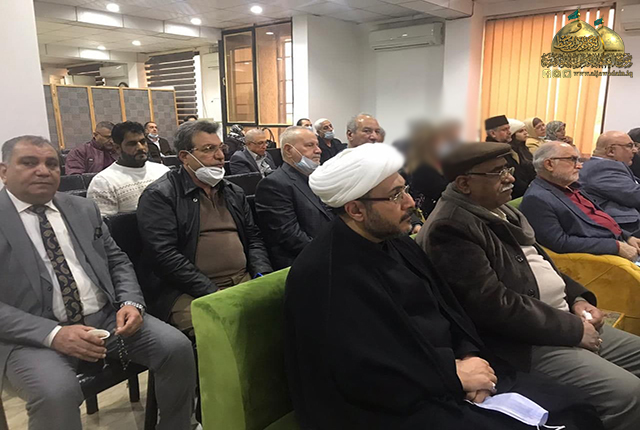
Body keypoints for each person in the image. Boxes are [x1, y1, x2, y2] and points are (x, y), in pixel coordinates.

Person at [285, 143, 603, 430]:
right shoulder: (324, 274)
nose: (410, 202)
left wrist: (470, 358)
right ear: (355, 210)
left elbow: (449, 311)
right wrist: (452, 377)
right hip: (396, 403)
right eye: (395, 195)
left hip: (446, 373)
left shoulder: (397, 244)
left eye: (405, 189)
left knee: (575, 407)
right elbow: (359, 372)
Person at [419, 141, 640, 430]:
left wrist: (579, 299)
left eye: (508, 169)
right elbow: (493, 306)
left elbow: (543, 263)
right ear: (464, 183)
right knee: (628, 394)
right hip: (526, 341)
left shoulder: (501, 211)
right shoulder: (450, 227)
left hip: (563, 319)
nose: (510, 178)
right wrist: (573, 330)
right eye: (498, 172)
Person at [0, 135, 195, 430]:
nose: (43, 171)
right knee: (57, 393)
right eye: (29, 163)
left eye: (51, 164)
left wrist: (131, 302)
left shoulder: (81, 208)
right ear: (4, 171)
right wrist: (53, 333)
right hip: (31, 335)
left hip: (104, 319)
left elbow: (117, 261)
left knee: (176, 348)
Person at [137, 121, 272, 336]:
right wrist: (212, 291)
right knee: (223, 330)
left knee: (281, 314)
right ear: (184, 156)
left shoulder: (232, 192)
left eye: (221, 148)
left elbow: (253, 237)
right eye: (209, 149)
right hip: (186, 290)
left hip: (242, 280)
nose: (220, 156)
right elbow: (164, 255)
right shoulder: (161, 195)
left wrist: (261, 275)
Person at [520, 141, 640, 259]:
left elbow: (599, 218)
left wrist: (627, 237)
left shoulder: (571, 187)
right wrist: (615, 246)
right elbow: (560, 242)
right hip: (602, 257)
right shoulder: (536, 199)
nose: (579, 166)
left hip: (620, 241)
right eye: (572, 160)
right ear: (549, 164)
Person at [255, 126, 332, 270]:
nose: (318, 150)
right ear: (289, 150)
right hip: (301, 263)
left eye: (317, 145)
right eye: (310, 145)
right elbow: (290, 237)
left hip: (326, 255)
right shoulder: (273, 185)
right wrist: (331, 253)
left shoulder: (317, 180)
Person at [87, 121, 170, 216]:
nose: (140, 147)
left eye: (143, 142)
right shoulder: (103, 182)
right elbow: (105, 223)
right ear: (117, 148)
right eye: (132, 144)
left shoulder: (163, 171)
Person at [579, 131, 640, 234]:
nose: (634, 150)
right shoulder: (602, 168)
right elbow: (634, 195)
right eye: (629, 146)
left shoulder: (604, 166)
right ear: (611, 151)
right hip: (625, 228)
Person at [404, 120, 449, 218]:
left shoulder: (442, 160)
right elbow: (438, 189)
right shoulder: (420, 164)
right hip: (428, 211)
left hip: (442, 207)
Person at [485, 115, 535, 198]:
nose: (509, 132)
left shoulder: (511, 148)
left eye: (509, 129)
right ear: (493, 133)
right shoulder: (492, 152)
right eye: (504, 130)